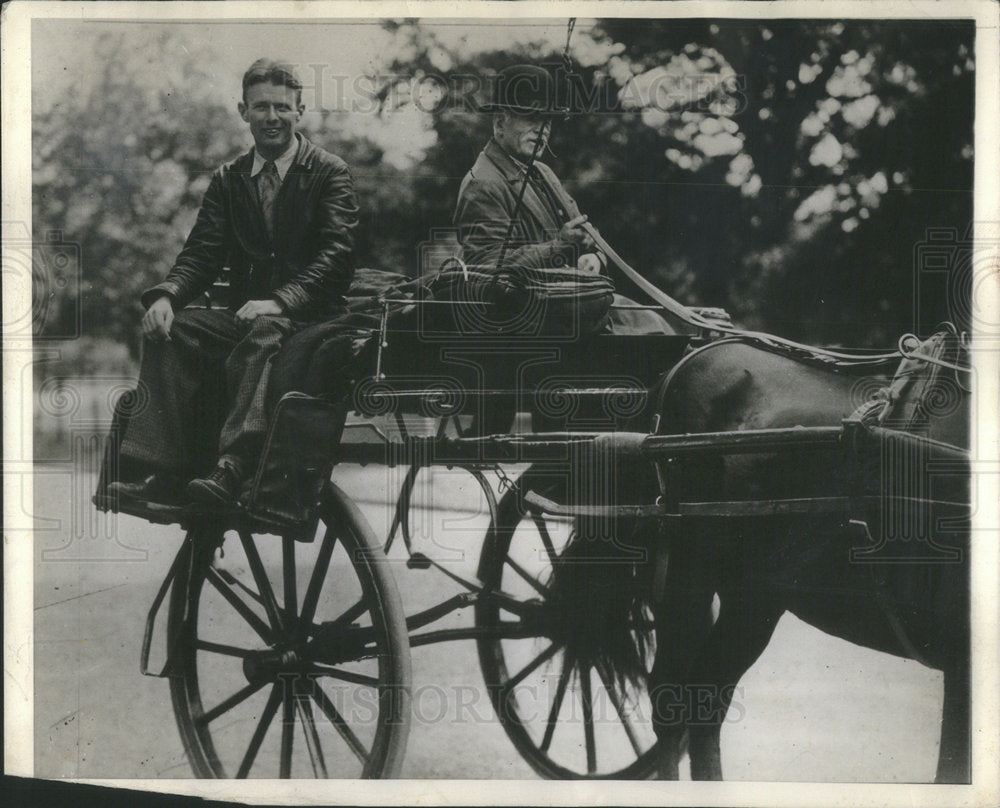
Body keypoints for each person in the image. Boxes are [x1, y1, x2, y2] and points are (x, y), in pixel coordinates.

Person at [108, 59, 359, 506]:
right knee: (176, 330)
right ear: (243, 111)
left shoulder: (328, 172)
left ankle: (234, 466)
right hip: (245, 317)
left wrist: (280, 301)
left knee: (263, 333)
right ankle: (161, 471)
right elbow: (202, 253)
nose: (272, 118)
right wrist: (167, 296)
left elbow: (337, 257)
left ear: (299, 112)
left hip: (311, 319)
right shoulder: (229, 179)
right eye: (261, 107)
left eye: (283, 107)